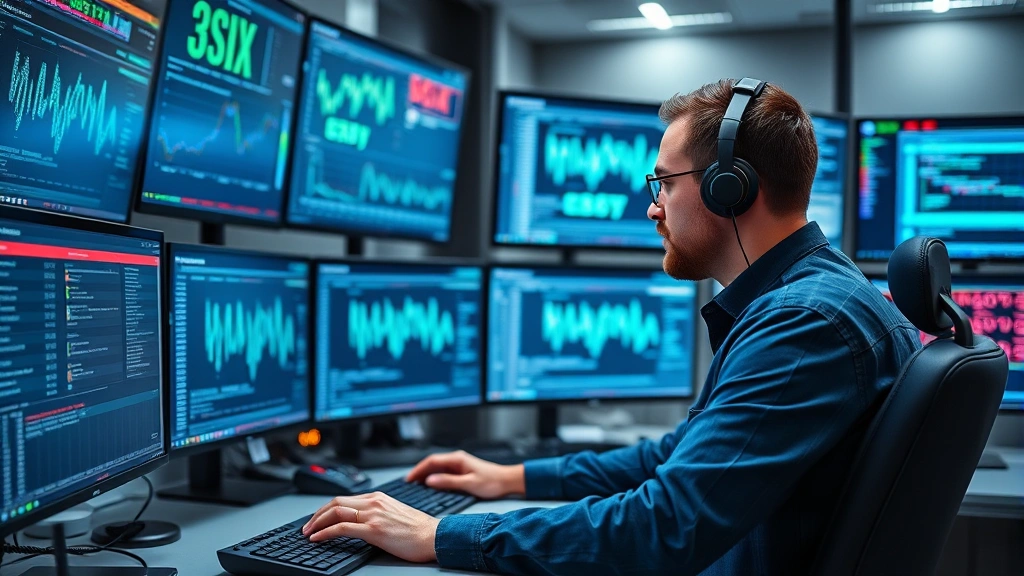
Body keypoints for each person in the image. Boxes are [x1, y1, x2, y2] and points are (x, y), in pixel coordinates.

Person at [300, 78, 922, 575]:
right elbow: (677, 457)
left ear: (731, 189)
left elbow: (663, 528)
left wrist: (441, 533)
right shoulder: (819, 297)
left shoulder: (801, 324)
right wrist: (513, 478)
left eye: (663, 184)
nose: (651, 206)